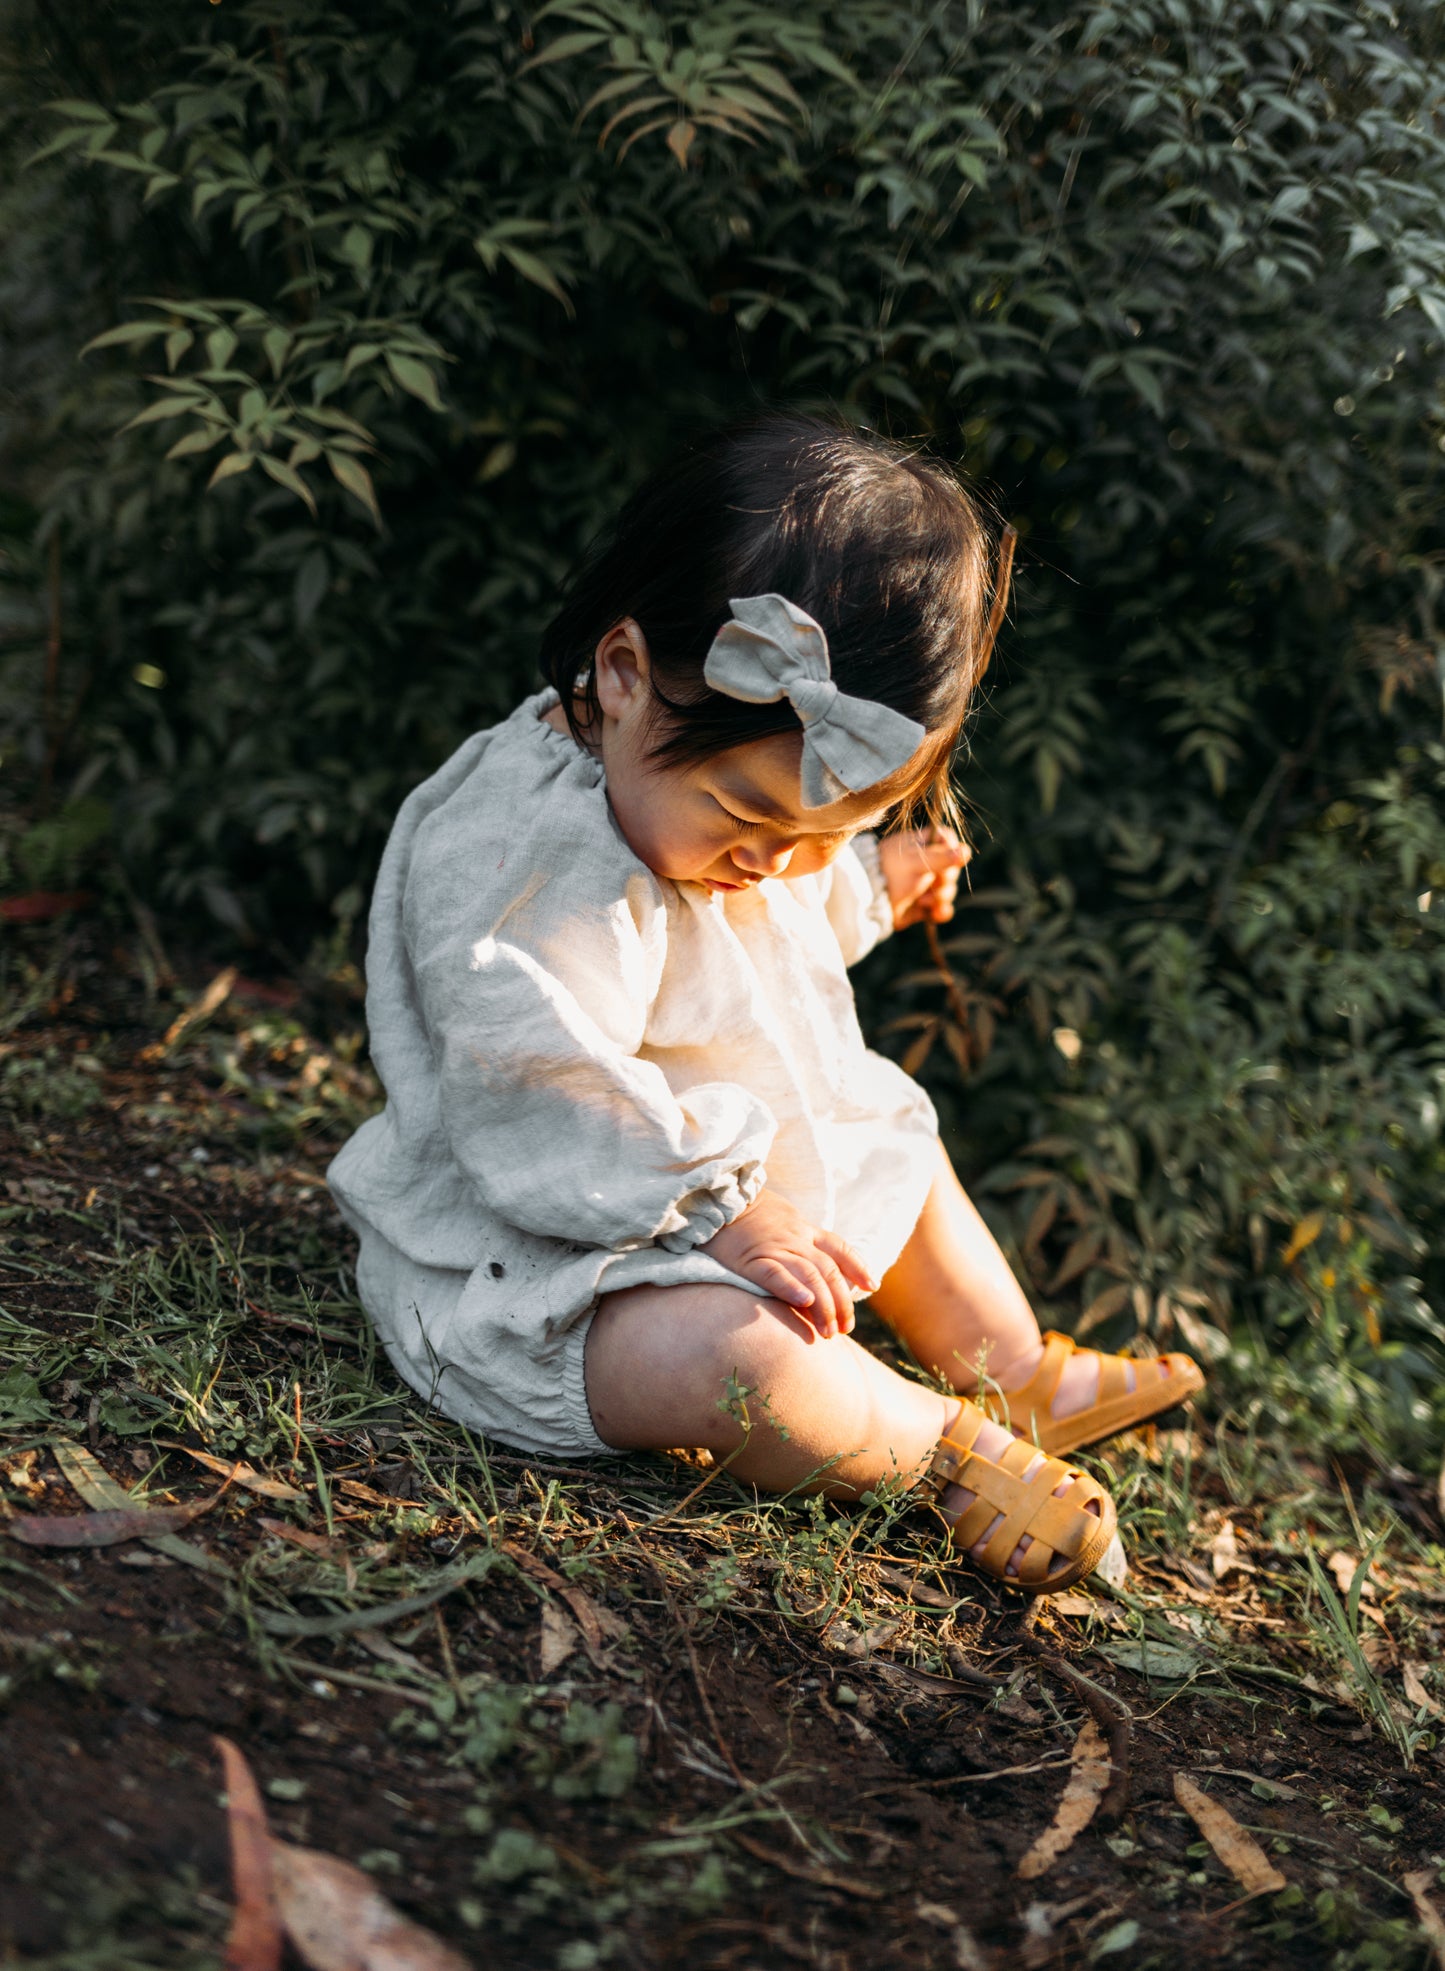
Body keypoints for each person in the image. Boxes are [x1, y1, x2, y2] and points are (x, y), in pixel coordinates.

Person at [329, 412, 1203, 1593]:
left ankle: (1008, 1365)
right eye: (751, 821)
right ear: (623, 675)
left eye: (825, 834)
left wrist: (868, 884)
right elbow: (537, 1083)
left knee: (888, 1125)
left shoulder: (701, 808)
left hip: (731, 1190)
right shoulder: (529, 867)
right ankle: (941, 1449)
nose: (777, 866)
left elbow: (757, 951)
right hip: (554, 1248)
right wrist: (715, 1214)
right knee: (734, 1363)